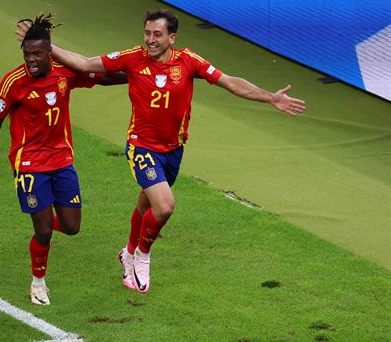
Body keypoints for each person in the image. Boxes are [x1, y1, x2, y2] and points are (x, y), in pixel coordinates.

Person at [16, 9, 306, 294]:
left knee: (146, 206)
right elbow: (86, 63)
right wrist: (48, 47)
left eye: (157, 34)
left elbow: (229, 82)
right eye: (147, 33)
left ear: (172, 38)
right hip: (141, 146)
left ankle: (128, 253)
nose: (150, 40)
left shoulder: (189, 61)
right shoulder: (132, 58)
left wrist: (270, 97)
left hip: (173, 150)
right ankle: (142, 255)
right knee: (164, 205)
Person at [0, 14, 126, 305]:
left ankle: (41, 212)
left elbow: (102, 77)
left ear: (49, 51)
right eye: (27, 54)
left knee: (71, 226)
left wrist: (137, 74)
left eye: (37, 54)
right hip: (29, 164)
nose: (31, 60)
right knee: (42, 229)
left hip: (62, 161)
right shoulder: (13, 82)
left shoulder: (64, 72)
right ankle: (37, 282)